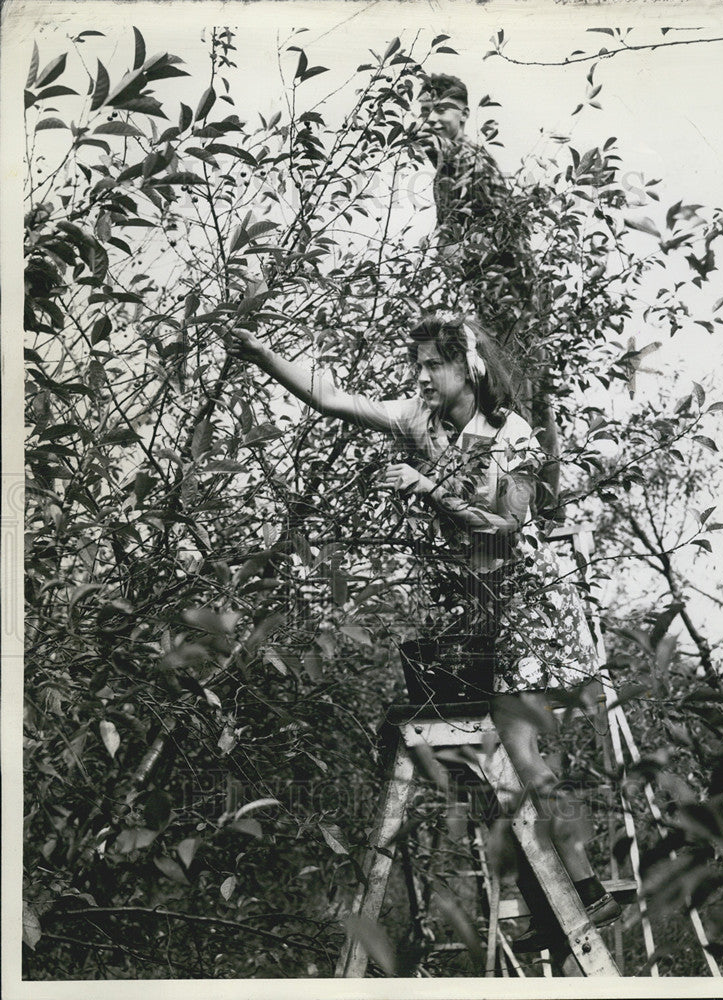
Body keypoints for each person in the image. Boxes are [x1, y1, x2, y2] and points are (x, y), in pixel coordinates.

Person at [227, 309, 620, 947]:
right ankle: (554, 898)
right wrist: (264, 354)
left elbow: (511, 526)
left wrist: (428, 488)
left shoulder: (510, 432)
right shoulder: (421, 421)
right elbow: (332, 398)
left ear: (470, 367)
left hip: (525, 601)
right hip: (477, 603)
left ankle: (584, 888)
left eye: (434, 364)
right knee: (491, 755)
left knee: (519, 751)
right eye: (418, 365)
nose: (422, 376)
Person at [419, 73, 561, 517]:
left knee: (516, 396)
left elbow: (463, 240)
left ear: (464, 113)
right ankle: (547, 504)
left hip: (509, 297)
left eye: (441, 109)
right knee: (529, 398)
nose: (432, 119)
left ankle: (536, 505)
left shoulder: (463, 158)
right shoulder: (453, 161)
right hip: (506, 295)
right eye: (425, 111)